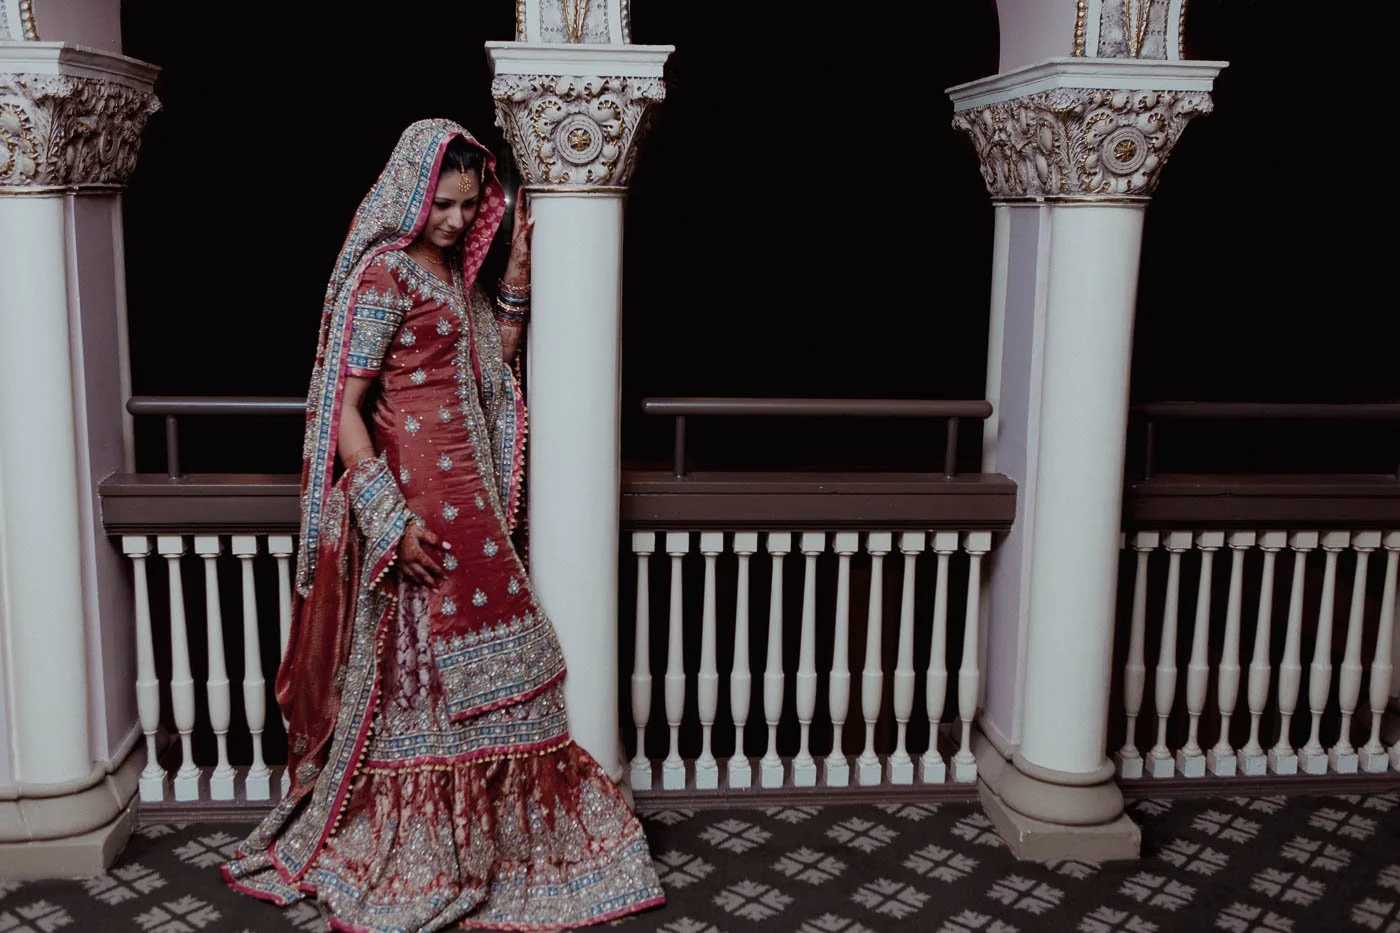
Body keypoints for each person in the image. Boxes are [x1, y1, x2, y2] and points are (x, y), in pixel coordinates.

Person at [223, 118, 665, 931]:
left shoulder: (452, 277)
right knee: (421, 692)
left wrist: (517, 275)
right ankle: (426, 848)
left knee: (524, 670)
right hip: (418, 514)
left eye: (469, 204)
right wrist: (389, 522)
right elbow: (345, 412)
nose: (458, 220)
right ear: (412, 195)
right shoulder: (383, 277)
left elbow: (490, 366)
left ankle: (499, 844)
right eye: (444, 204)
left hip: (478, 516)